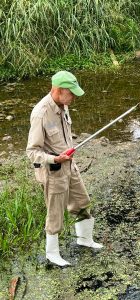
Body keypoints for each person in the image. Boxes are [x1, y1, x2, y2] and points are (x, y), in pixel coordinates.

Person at [26, 71, 103, 267]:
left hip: (70, 166)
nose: (74, 98)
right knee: (55, 214)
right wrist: (55, 158)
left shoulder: (64, 106)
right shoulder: (41, 113)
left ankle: (84, 239)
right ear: (59, 90)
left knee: (82, 202)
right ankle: (52, 254)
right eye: (72, 93)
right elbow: (32, 152)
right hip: (53, 171)